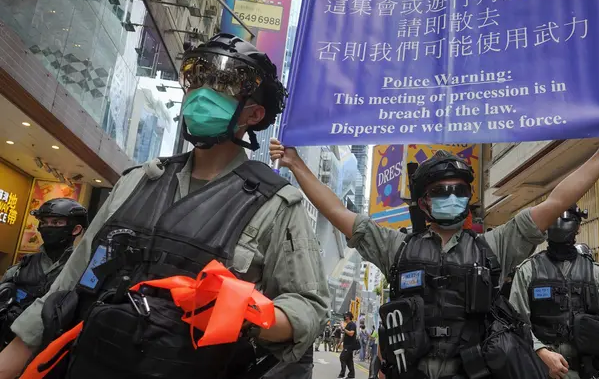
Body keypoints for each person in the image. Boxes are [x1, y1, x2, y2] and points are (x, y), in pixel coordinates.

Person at [0, 34, 329, 379]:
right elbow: (66, 286)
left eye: (224, 84)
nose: (203, 92)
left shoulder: (276, 204)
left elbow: (309, 306)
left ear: (254, 113)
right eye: (197, 78)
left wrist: (247, 315)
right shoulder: (138, 180)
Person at [270, 127, 599, 379]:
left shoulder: (494, 246)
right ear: (423, 202)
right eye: (441, 191)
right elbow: (338, 213)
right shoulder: (396, 247)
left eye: (460, 191)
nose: (452, 197)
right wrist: (296, 163)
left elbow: (557, 200)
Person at [509, 205, 599, 379]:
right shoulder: (528, 271)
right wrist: (540, 351)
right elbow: (516, 323)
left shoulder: (595, 273)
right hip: (543, 370)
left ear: (578, 228)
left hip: (590, 370)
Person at [0, 198, 87, 347]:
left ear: (75, 229)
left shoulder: (81, 269)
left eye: (56, 223)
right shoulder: (24, 264)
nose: (48, 227)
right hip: (8, 341)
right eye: (45, 222)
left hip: (48, 349)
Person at [339, 312, 358, 378]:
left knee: (342, 358)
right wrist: (340, 343)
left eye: (346, 316)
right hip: (347, 345)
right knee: (349, 360)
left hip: (349, 346)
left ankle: (342, 374)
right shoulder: (348, 324)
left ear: (349, 317)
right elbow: (345, 335)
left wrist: (344, 328)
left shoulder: (352, 324)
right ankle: (351, 375)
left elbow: (351, 333)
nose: (344, 317)